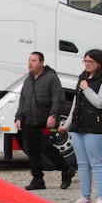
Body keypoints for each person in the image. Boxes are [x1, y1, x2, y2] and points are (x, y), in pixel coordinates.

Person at [62, 48, 102, 203]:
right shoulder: (82, 77)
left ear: (99, 63)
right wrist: (67, 124)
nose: (87, 64)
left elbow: (101, 102)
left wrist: (87, 89)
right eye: (85, 61)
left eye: (91, 61)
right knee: (82, 164)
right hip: (78, 126)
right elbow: (75, 104)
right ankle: (85, 196)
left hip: (96, 127)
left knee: (96, 163)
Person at [13, 51, 73, 191]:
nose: (30, 63)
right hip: (29, 121)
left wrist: (53, 115)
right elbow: (22, 100)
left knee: (47, 148)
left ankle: (66, 170)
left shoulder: (51, 78)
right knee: (32, 150)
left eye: (33, 60)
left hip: (45, 121)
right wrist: (18, 117)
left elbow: (58, 98)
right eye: (29, 60)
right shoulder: (27, 80)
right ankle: (38, 179)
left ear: (41, 63)